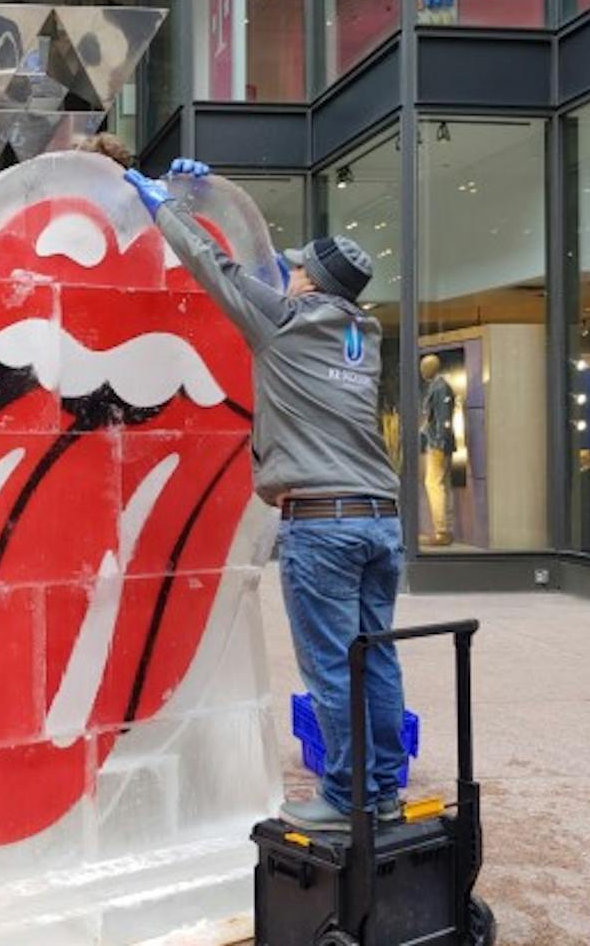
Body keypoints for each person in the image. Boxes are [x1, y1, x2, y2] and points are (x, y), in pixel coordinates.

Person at [122, 158, 406, 833]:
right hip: (380, 520)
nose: (289, 269)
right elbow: (287, 288)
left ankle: (347, 796)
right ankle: (384, 786)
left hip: (324, 524)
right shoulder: (361, 334)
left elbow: (213, 270)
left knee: (333, 661)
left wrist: (166, 205)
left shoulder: (283, 320)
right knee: (376, 654)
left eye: (299, 266)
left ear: (310, 284)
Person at [419, 353, 457, 546]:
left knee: (434, 484)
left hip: (437, 444)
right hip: (435, 442)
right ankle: (441, 529)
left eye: (424, 367)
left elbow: (443, 418)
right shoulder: (437, 386)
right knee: (436, 484)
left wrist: (440, 442)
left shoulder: (440, 388)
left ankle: (441, 531)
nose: (421, 371)